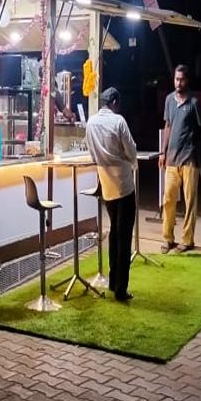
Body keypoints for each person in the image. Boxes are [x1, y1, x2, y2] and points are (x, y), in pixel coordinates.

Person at [85, 86, 138, 301]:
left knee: (114, 234)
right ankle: (120, 289)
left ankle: (112, 279)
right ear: (114, 102)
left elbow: (91, 154)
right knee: (123, 237)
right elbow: (132, 151)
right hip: (124, 185)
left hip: (106, 186)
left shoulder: (91, 123)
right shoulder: (118, 121)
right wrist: (128, 161)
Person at [159, 64, 201, 253]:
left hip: (190, 158)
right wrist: (163, 152)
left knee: (190, 201)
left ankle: (187, 241)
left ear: (187, 80)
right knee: (168, 200)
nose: (178, 82)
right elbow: (167, 125)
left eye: (181, 79)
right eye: (176, 79)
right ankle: (168, 239)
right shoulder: (169, 100)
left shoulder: (194, 103)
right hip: (172, 159)